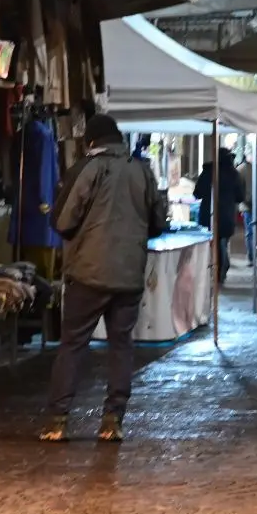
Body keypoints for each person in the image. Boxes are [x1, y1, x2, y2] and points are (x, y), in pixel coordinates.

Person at [39, 114, 166, 443]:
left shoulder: (86, 169)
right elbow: (158, 222)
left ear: (90, 141)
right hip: (128, 274)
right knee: (121, 346)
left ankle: (57, 421)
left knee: (73, 345)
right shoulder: (142, 170)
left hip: (87, 273)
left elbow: (63, 221)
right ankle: (113, 420)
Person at [195, 152, 243, 285]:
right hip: (227, 215)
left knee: (212, 244)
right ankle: (220, 271)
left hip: (208, 215)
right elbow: (240, 197)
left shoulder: (208, 172)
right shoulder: (234, 175)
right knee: (222, 243)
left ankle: (214, 270)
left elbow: (197, 193)